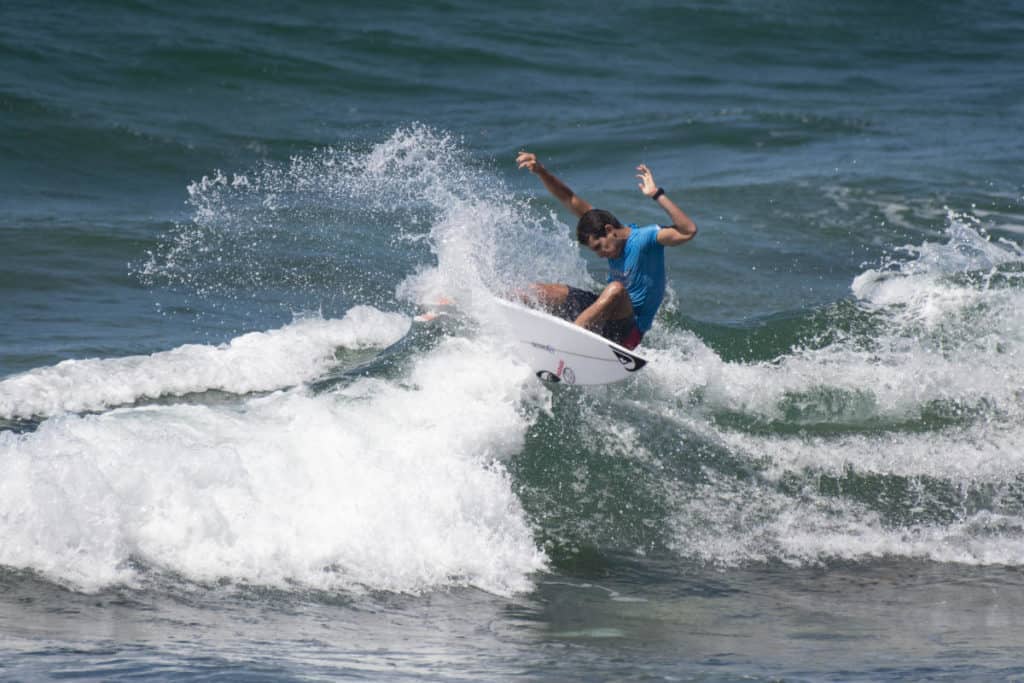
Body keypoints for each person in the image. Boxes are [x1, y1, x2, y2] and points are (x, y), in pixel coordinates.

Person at [515, 150, 697, 350]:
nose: (600, 255)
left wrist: (656, 194)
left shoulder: (645, 239)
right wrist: (542, 172)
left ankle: (566, 344)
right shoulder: (600, 226)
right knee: (539, 292)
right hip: (602, 314)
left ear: (609, 230)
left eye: (599, 247)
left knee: (616, 288)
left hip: (627, 330)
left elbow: (688, 231)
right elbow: (570, 199)